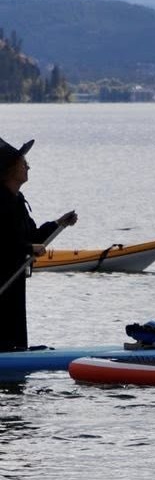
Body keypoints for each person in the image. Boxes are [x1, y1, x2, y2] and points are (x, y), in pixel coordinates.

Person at [0, 136, 77, 351]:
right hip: (2, 276)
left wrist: (59, 224)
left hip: (15, 276)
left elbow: (32, 237)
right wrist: (26, 249)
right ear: (8, 171)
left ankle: (14, 360)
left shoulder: (17, 200)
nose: (28, 166)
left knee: (14, 336)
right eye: (23, 163)